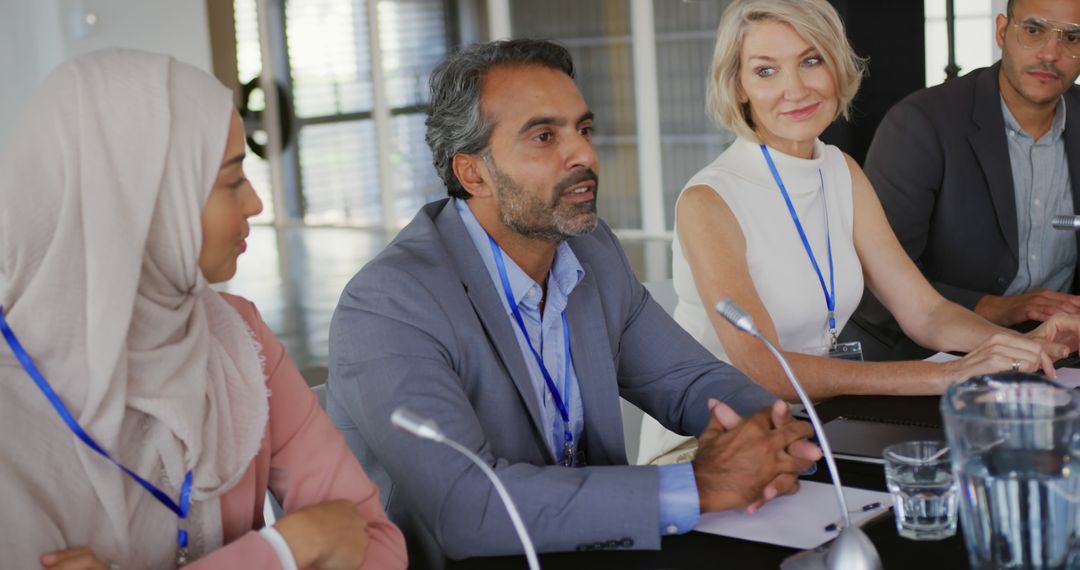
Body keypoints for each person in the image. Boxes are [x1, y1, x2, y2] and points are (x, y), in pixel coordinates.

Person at [326, 39, 820, 567]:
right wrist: (697, 484)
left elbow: (691, 382)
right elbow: (468, 509)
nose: (584, 154)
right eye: (544, 136)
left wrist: (775, 435)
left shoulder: (591, 249)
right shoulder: (388, 305)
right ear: (473, 173)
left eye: (583, 129)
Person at [0, 50, 406, 569]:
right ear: (138, 198)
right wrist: (285, 550)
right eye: (232, 180)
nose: (256, 203)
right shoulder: (14, 406)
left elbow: (378, 546)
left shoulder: (239, 338)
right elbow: (328, 539)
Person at [638, 0, 1080, 464]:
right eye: (766, 71)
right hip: (711, 444)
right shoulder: (709, 199)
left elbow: (925, 312)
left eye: (811, 61)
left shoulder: (839, 168)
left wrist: (1025, 346)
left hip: (811, 426)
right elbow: (764, 370)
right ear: (739, 86)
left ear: (836, 67)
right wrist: (942, 375)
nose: (795, 88)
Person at [843, 0, 1080, 361]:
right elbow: (871, 286)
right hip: (934, 356)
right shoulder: (920, 124)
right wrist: (998, 308)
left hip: (1062, 354)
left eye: (1072, 38)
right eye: (1034, 31)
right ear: (1002, 31)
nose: (1051, 53)